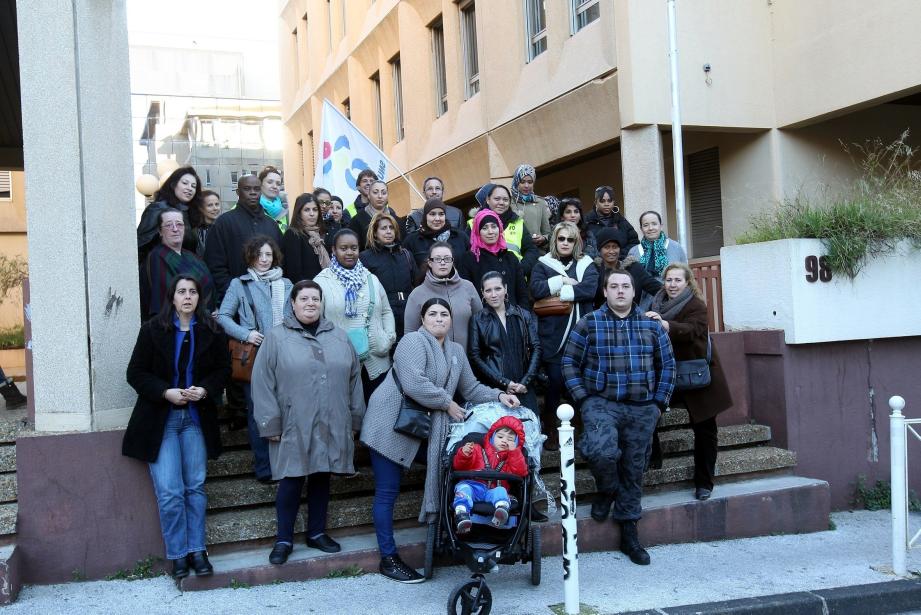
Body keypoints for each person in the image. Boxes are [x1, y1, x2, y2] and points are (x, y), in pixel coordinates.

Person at [360, 298, 520, 583]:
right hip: (389, 423)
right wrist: (447, 403)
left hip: (419, 428)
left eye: (444, 314)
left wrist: (499, 395)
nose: (438, 318)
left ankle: (447, 532)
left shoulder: (456, 350)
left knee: (449, 468)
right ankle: (388, 558)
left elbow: (470, 388)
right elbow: (413, 382)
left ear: (451, 319)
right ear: (422, 319)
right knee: (387, 491)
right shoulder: (412, 342)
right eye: (432, 314)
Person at [562, 268, 676, 566]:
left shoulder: (651, 327)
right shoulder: (589, 323)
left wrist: (658, 405)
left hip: (642, 407)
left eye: (626, 286)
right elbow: (569, 362)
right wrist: (583, 398)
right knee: (599, 451)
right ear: (605, 291)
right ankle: (607, 489)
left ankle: (629, 531)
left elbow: (668, 367)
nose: (621, 291)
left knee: (633, 468)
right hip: (601, 403)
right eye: (614, 286)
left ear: (634, 292)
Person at [122, 274, 230, 579]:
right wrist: (164, 392)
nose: (187, 297)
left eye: (192, 292)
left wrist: (205, 389)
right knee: (170, 491)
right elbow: (136, 373)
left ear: (199, 297)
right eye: (181, 291)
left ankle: (198, 550)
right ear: (172, 297)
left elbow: (224, 369)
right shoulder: (153, 330)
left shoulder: (212, 329)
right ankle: (179, 554)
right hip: (162, 421)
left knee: (194, 488)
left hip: (195, 419)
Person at [252, 280, 366, 564]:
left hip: (331, 419)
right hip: (293, 422)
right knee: (291, 479)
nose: (310, 303)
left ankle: (316, 533)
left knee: (321, 476)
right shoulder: (276, 338)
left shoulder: (339, 337)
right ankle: (283, 539)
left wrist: (354, 418)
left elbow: (354, 380)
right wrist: (270, 423)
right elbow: (262, 384)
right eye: (304, 298)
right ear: (292, 303)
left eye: (315, 298)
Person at [645, 263, 732, 501]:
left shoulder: (696, 305)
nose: (672, 285)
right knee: (646, 409)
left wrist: (665, 325)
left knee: (705, 430)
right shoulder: (655, 303)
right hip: (668, 373)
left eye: (677, 280)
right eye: (669, 280)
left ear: (687, 282)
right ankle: (653, 456)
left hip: (697, 374)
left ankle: (704, 482)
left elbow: (692, 330)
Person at [215, 235, 293, 483]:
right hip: (255, 357)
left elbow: (295, 316)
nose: (264, 259)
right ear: (250, 256)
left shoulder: (286, 283)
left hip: (285, 355)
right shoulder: (239, 284)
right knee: (259, 412)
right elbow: (223, 316)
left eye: (268, 254)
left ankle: (288, 464)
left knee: (287, 410)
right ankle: (264, 467)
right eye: (259, 254)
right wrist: (246, 333)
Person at [529, 222, 598, 449]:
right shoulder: (543, 264)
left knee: (577, 385)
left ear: (576, 241)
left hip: (581, 336)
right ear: (555, 240)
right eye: (561, 239)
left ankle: (578, 431)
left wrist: (562, 293)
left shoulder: (586, 264)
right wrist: (563, 281)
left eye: (570, 239)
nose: (565, 243)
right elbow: (536, 290)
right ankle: (549, 430)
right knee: (555, 383)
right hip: (553, 336)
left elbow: (590, 289)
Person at [315, 229, 396, 402]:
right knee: (351, 418)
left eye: (354, 248)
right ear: (333, 250)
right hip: (341, 363)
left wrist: (388, 337)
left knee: (380, 412)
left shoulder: (371, 278)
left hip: (378, 360)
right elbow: (315, 321)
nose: (349, 252)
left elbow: (386, 311)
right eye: (343, 248)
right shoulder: (322, 282)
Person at [468, 271, 541, 413]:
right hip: (495, 389)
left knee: (530, 429)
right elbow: (475, 356)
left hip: (524, 386)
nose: (493, 294)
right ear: (482, 293)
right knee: (500, 432)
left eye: (498, 289)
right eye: (488, 290)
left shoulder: (522, 315)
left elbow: (536, 348)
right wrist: (503, 382)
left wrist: (526, 381)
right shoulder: (478, 320)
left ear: (505, 289)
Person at [204, 174, 284, 302]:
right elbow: (215, 266)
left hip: (270, 298)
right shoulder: (223, 223)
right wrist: (236, 294)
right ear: (238, 192)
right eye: (247, 189)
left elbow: (280, 261)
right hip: (236, 301)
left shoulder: (272, 225)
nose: (252, 193)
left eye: (256, 189)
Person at [452, 416, 529, 532]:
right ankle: (462, 512)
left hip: (493, 491)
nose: (504, 440)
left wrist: (515, 453)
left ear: (516, 443)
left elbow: (520, 472)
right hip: (474, 487)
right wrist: (465, 454)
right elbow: (459, 466)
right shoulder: (477, 449)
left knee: (501, 491)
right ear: (492, 437)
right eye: (500, 436)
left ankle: (502, 510)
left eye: (510, 439)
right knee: (463, 488)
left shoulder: (510, 459)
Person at [404, 242, 482, 351]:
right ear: (430, 263)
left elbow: (482, 323)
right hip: (433, 362)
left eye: (447, 259)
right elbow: (409, 336)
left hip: (468, 360)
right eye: (437, 259)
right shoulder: (417, 294)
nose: (442, 263)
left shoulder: (468, 287)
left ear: (452, 262)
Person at [140, 208, 215, 320]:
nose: (175, 229)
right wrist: (204, 312)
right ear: (160, 231)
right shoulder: (157, 257)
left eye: (179, 224)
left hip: (205, 321)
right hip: (178, 324)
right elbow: (168, 297)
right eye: (169, 225)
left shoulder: (192, 256)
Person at [359, 212, 417, 339]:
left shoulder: (406, 255)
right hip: (382, 311)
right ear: (375, 233)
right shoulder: (365, 257)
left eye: (391, 228)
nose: (388, 231)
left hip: (408, 309)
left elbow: (416, 283)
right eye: (383, 228)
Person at [459, 209, 529, 307]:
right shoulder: (469, 259)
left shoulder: (510, 257)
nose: (491, 232)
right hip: (484, 319)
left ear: (500, 229)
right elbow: (466, 296)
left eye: (494, 226)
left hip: (514, 317)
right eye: (485, 228)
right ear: (477, 232)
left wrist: (523, 316)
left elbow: (522, 293)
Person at [471, 183, 539, 275]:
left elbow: (531, 250)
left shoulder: (518, 223)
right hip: (485, 281)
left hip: (515, 280)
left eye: (505, 200)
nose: (501, 203)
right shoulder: (473, 223)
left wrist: (520, 270)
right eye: (497, 199)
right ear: (488, 200)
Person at [137, 166, 202, 262]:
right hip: (163, 270)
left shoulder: (189, 213)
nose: (189, 188)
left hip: (186, 270)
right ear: (173, 184)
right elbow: (141, 245)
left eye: (193, 186)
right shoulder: (158, 209)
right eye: (185, 183)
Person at [593, 228, 662, 310]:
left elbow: (657, 288)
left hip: (632, 318)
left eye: (615, 247)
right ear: (600, 249)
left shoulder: (634, 268)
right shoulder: (594, 270)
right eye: (607, 247)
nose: (611, 251)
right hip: (602, 319)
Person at [402, 198, 469, 273]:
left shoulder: (460, 237)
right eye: (432, 214)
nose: (437, 218)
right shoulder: (412, 241)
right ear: (425, 216)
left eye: (441, 214)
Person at [282, 193, 331, 283]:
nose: (312, 214)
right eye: (307, 210)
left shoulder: (318, 234)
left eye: (315, 210)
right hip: (304, 291)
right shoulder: (293, 234)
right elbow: (294, 273)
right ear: (299, 212)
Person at [628, 210, 689, 280]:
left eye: (654, 224)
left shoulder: (676, 247)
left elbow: (686, 276)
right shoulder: (634, 251)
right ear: (641, 229)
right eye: (645, 225)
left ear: (661, 226)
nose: (650, 228)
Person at [583, 186, 640, 255]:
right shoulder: (587, 222)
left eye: (610, 200)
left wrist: (619, 254)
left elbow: (634, 242)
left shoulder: (621, 221)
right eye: (602, 201)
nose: (606, 204)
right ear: (596, 203)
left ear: (614, 202)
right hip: (595, 263)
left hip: (620, 263)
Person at [510, 164, 552, 252]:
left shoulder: (540, 202)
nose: (526, 185)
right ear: (516, 181)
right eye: (522, 182)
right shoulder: (508, 202)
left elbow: (547, 233)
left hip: (537, 252)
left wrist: (543, 238)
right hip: (514, 253)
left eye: (530, 182)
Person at [349, 180, 400, 251]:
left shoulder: (395, 219)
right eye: (375, 192)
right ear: (369, 196)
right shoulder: (357, 221)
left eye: (384, 193)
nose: (380, 196)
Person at [190, 190, 222, 258]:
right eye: (210, 205)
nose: (215, 208)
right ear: (200, 208)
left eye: (217, 204)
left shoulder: (222, 227)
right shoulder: (194, 232)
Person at [258, 166, 288, 232]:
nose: (274, 186)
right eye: (269, 182)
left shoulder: (286, 209)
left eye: (278, 184)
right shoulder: (250, 207)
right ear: (260, 184)